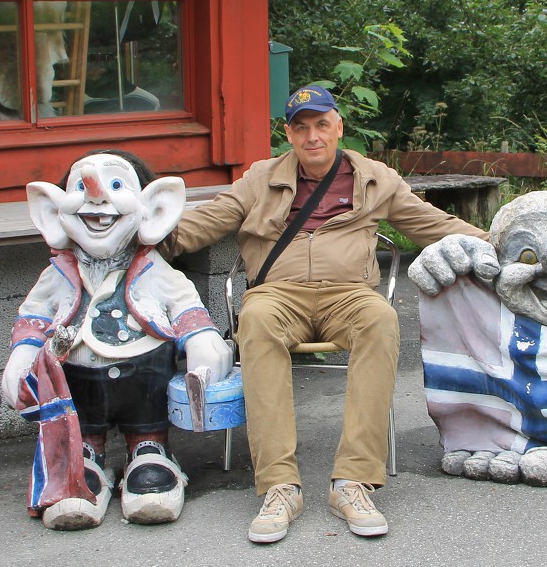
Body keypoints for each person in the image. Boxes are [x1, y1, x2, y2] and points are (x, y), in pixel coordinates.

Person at [165, 85, 490, 544]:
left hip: (348, 294)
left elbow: (434, 224)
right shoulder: (260, 177)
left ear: (338, 126)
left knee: (381, 319)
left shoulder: (376, 179)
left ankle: (352, 483)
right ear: (288, 133)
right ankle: (280, 487)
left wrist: (502, 242)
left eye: (321, 125)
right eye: (301, 127)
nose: (312, 136)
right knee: (254, 323)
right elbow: (209, 219)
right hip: (277, 294)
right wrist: (146, 239)